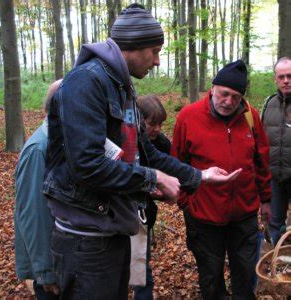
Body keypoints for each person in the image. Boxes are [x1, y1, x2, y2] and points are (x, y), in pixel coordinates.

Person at [43, 4, 241, 299]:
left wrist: (199, 176)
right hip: (86, 242)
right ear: (133, 46)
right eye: (155, 51)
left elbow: (149, 155)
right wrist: (155, 180)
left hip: (115, 231)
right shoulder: (86, 81)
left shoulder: (122, 88)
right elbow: (87, 164)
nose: (158, 61)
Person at [172, 60, 272, 300]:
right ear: (213, 88)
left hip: (244, 216)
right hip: (204, 217)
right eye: (224, 94)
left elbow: (262, 161)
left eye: (236, 97)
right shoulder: (189, 117)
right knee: (211, 277)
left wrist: (266, 200)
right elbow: (177, 163)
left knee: (246, 276)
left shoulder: (251, 117)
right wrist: (186, 202)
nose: (229, 101)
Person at [14, 80, 62, 299]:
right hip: (52, 270)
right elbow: (34, 214)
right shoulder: (39, 149)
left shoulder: (60, 142)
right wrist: (46, 273)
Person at [133, 95, 171, 299]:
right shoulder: (128, 141)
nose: (157, 129)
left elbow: (172, 167)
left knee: (141, 272)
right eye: (152, 124)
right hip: (122, 214)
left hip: (144, 215)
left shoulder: (161, 143)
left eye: (160, 124)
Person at [262, 56, 291, 246]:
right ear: (275, 79)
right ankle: (275, 267)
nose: (286, 80)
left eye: (290, 76)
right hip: (274, 178)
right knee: (274, 224)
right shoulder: (268, 104)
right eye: (281, 77)